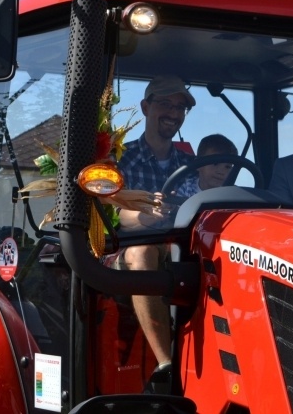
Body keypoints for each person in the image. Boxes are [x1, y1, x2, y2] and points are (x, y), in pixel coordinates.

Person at [114, 74, 196, 393]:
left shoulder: (190, 163)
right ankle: (167, 368)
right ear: (146, 106)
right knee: (143, 252)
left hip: (179, 247)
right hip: (127, 248)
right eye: (165, 104)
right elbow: (114, 213)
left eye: (180, 107)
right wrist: (144, 217)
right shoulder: (120, 159)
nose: (174, 113)